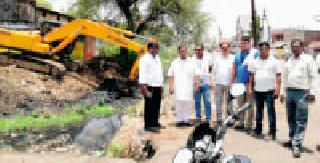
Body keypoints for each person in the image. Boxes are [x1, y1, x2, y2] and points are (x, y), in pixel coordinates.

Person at [280, 39, 317, 158]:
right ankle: (292, 140)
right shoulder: (288, 60)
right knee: (290, 118)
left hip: (302, 93)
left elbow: (314, 76)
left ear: (301, 47)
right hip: (290, 92)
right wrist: (282, 92)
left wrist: (312, 92)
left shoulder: (308, 60)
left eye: (296, 46)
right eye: (292, 46)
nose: (294, 48)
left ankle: (297, 144)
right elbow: (284, 77)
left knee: (301, 120)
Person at [248, 41, 281, 140]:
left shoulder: (274, 61)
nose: (263, 51)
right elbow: (251, 76)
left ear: (268, 50)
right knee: (258, 111)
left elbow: (278, 76)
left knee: (271, 112)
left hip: (270, 91)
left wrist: (277, 90)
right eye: (261, 49)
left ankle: (272, 132)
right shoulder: (254, 61)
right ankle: (258, 130)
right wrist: (250, 87)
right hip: (258, 90)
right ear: (259, 50)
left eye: (265, 49)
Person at [231, 36, 259, 133]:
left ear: (249, 43)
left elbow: (257, 67)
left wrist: (253, 83)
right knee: (240, 105)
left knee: (249, 104)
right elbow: (234, 67)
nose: (242, 45)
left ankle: (249, 124)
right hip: (239, 83)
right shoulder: (238, 54)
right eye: (241, 44)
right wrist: (233, 81)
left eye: (244, 44)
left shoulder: (255, 53)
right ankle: (241, 123)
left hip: (249, 83)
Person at [168, 45, 200, 127]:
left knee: (188, 103)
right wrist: (171, 86)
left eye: (185, 51)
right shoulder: (174, 62)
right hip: (178, 86)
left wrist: (196, 83)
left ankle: (185, 120)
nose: (183, 53)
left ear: (187, 52)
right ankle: (179, 120)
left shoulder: (192, 62)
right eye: (182, 51)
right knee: (178, 103)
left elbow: (197, 73)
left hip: (189, 86)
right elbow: (171, 75)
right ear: (179, 52)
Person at [139, 42, 164, 133]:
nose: (155, 50)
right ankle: (148, 125)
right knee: (149, 105)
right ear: (149, 49)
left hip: (157, 86)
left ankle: (155, 123)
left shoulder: (157, 58)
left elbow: (160, 72)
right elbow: (142, 73)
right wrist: (143, 86)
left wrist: (161, 84)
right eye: (153, 48)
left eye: (156, 48)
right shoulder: (144, 59)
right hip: (149, 86)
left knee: (157, 104)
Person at [212, 40, 234, 125]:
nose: (225, 49)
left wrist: (233, 81)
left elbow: (234, 70)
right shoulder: (217, 58)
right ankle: (219, 119)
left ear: (229, 48)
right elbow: (214, 71)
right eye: (223, 47)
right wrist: (213, 82)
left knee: (229, 102)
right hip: (218, 83)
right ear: (221, 48)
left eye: (226, 47)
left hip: (229, 83)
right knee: (218, 102)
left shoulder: (232, 58)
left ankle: (229, 119)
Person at [193, 43, 212, 122]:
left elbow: (210, 68)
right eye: (196, 50)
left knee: (207, 101)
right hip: (196, 83)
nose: (198, 51)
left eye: (199, 50)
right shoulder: (192, 60)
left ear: (203, 50)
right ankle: (198, 117)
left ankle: (208, 117)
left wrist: (209, 79)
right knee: (197, 101)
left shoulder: (208, 58)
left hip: (206, 83)